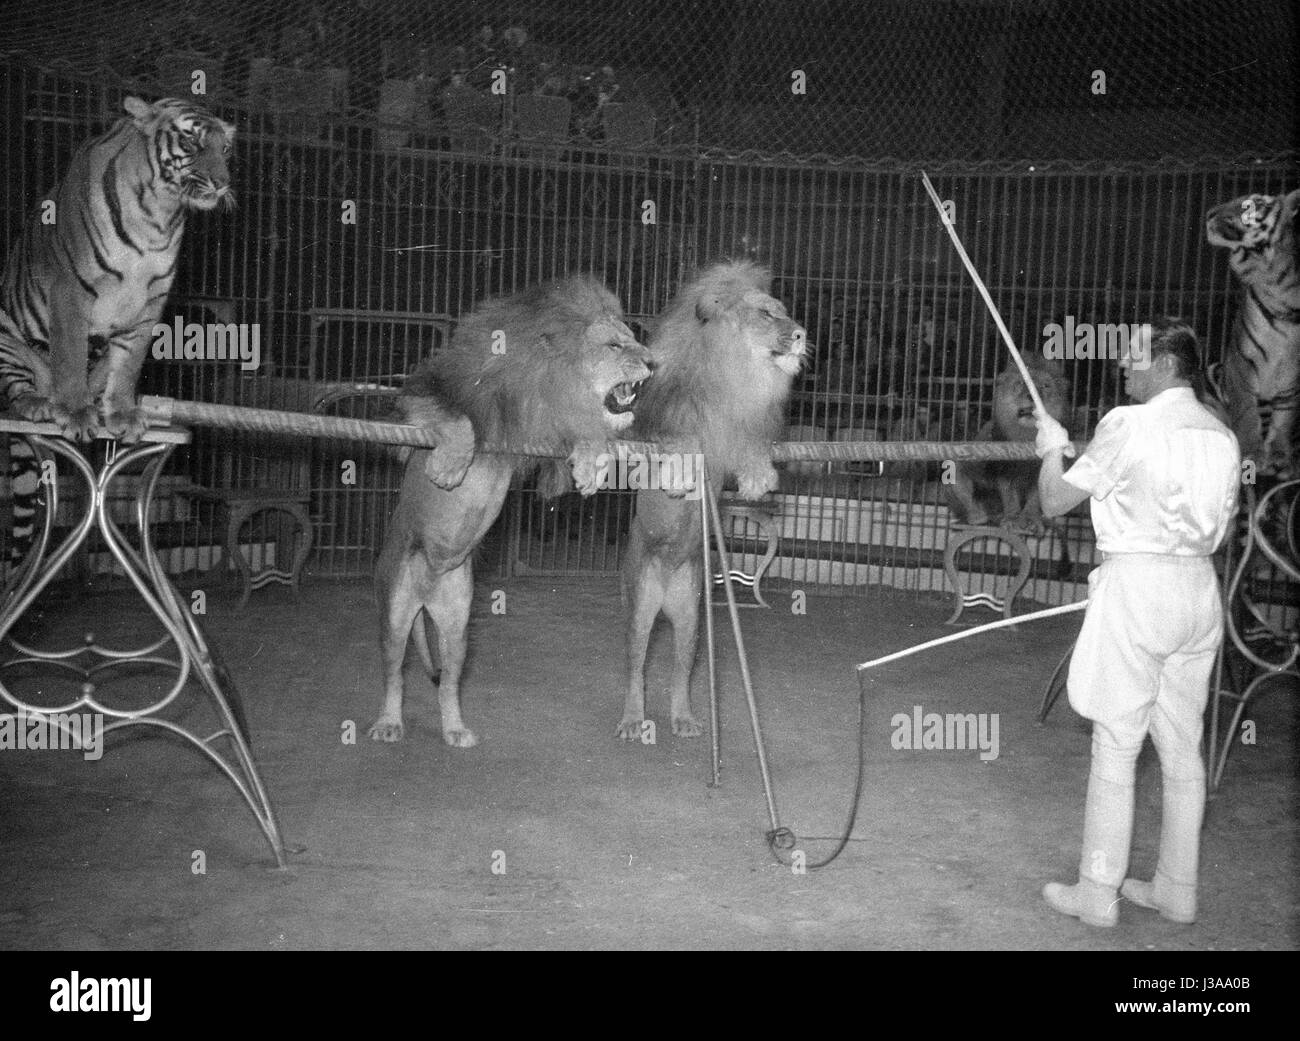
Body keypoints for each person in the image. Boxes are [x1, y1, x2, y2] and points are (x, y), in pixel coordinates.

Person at [1034, 317, 1240, 927]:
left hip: (1139, 590)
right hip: (1200, 591)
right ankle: (1178, 890)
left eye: (1134, 358)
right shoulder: (1221, 434)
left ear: (1167, 365)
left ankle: (1097, 893)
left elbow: (1054, 501)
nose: (1123, 366)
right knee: (1181, 748)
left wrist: (1051, 450)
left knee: (1117, 744)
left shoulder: (1129, 424)